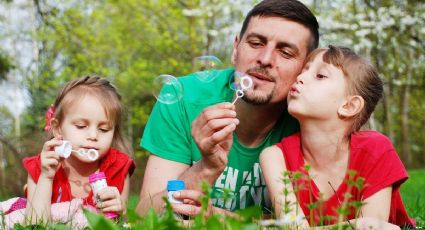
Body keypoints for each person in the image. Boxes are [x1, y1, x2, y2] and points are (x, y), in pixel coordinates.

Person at [137, 0, 319, 217]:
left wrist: (220, 218)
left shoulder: (312, 119)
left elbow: (315, 221)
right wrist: (207, 167)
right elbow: (144, 215)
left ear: (305, 69)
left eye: (285, 52)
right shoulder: (181, 97)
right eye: (255, 43)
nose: (265, 59)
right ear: (235, 48)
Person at [260, 46, 415, 228]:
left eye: (320, 76)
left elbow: (374, 227)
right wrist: (360, 224)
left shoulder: (375, 149)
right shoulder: (274, 157)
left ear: (349, 106)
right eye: (303, 71)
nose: (300, 78)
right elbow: (293, 227)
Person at [22, 76, 135, 225]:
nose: (93, 136)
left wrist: (121, 211)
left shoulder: (118, 168)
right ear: (57, 128)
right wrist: (46, 178)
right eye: (81, 126)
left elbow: (122, 225)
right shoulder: (41, 167)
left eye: (104, 129)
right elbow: (34, 225)